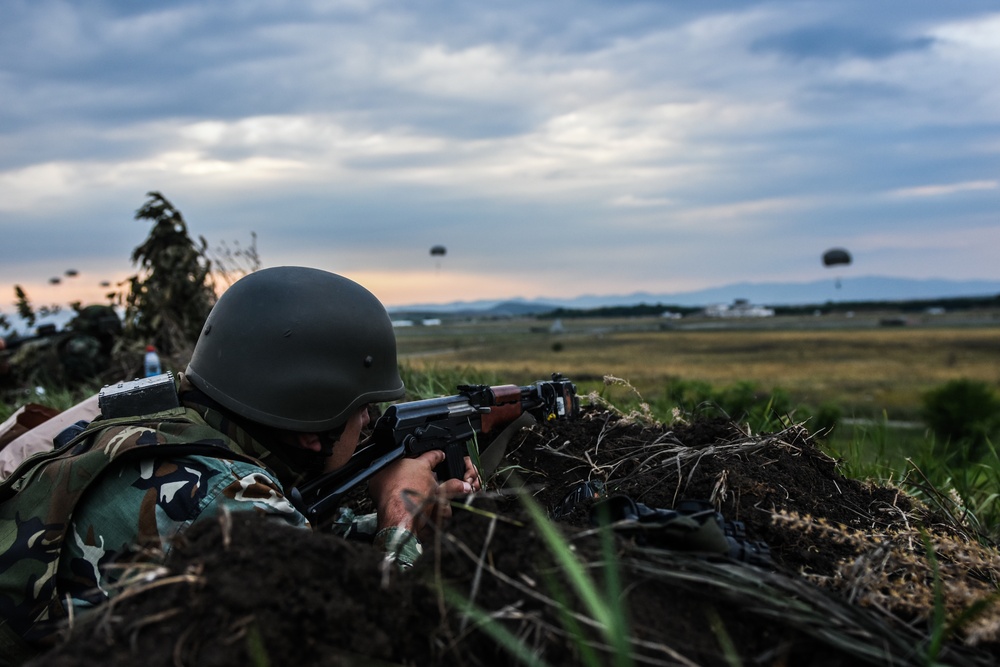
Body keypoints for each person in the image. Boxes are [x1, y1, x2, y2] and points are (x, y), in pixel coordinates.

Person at [0, 266, 480, 662]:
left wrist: (372, 520)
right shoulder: (226, 493)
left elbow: (287, 542)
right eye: (362, 409)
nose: (368, 420)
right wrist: (400, 524)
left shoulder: (164, 418)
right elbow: (361, 639)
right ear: (316, 424)